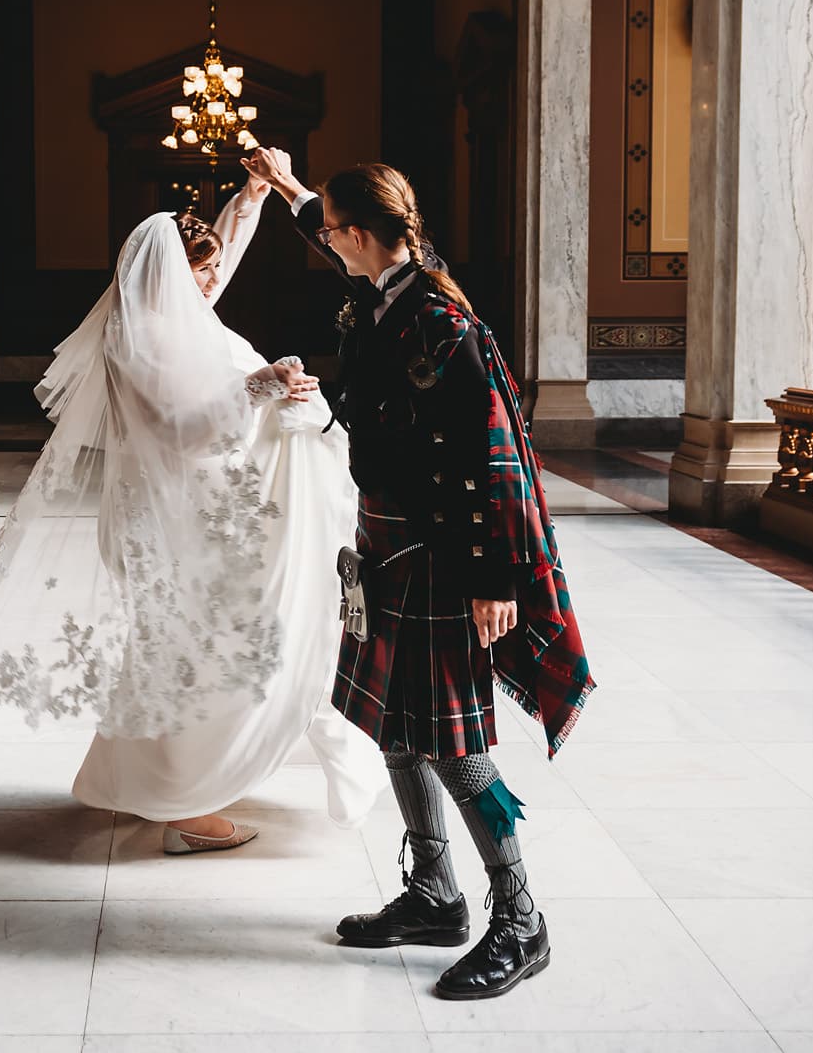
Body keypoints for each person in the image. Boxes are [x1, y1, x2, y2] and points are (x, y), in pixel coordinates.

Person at [242, 147, 594, 1001]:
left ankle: (520, 917)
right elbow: (333, 244)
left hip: (443, 558)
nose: (326, 241)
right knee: (397, 722)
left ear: (364, 233)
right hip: (385, 544)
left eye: (334, 230)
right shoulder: (385, 287)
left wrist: (497, 580)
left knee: (454, 739)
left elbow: (492, 455)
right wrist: (290, 185)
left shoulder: (439, 321)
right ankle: (437, 894)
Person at [0, 179, 384, 854]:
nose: (216, 279)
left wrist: (252, 198)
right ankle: (186, 808)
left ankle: (163, 781)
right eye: (204, 269)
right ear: (171, 272)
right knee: (206, 649)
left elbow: (223, 271)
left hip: (210, 511)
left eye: (215, 266)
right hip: (182, 521)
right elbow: (176, 427)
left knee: (207, 649)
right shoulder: (142, 340)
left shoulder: (178, 321)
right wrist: (262, 386)